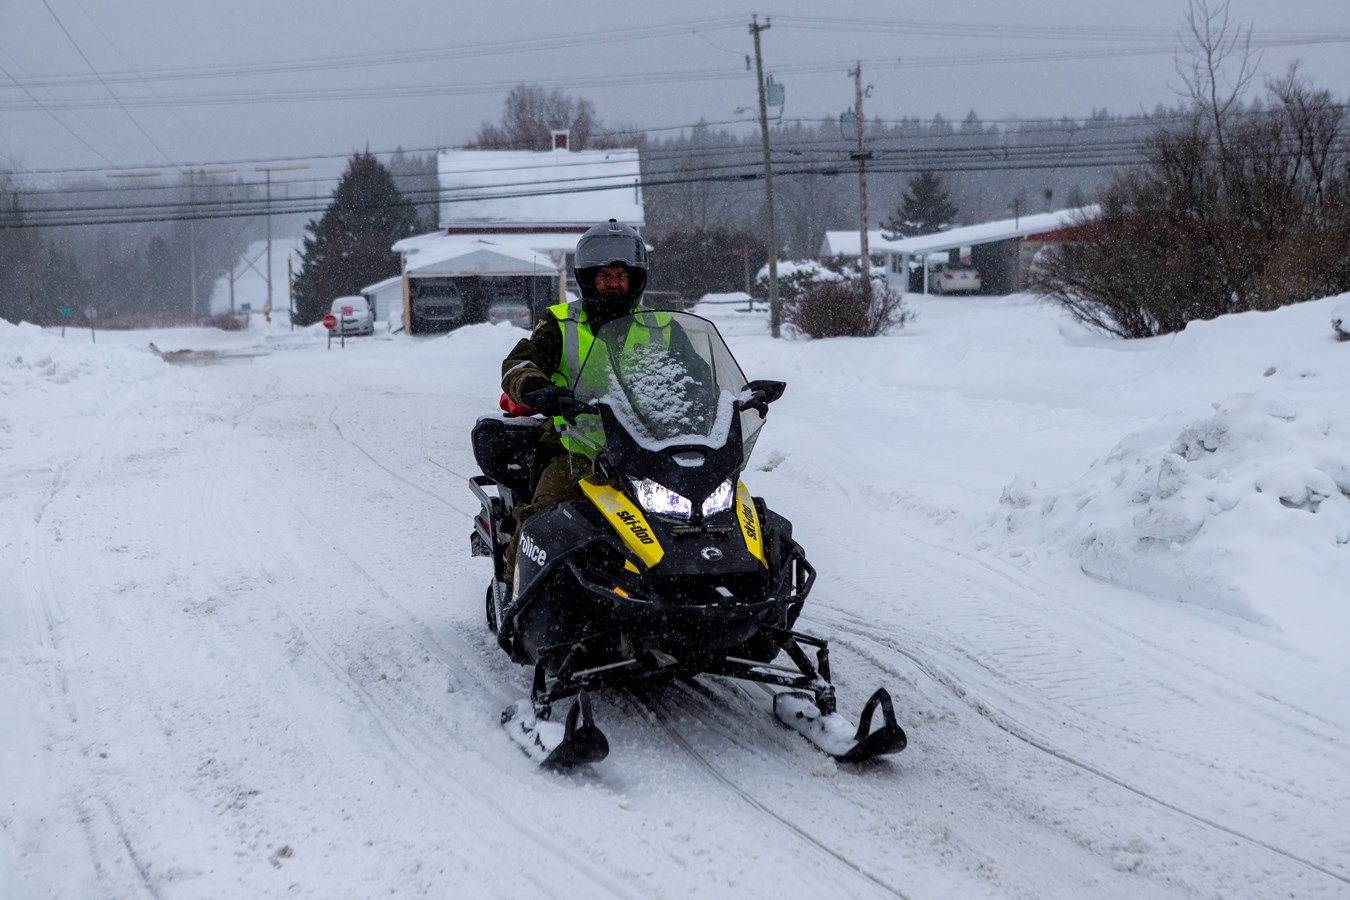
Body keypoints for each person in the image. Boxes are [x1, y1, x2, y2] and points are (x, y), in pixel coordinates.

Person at [498, 218, 651, 581]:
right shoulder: (560, 322)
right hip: (576, 449)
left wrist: (731, 398)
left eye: (621, 275)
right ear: (587, 278)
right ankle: (516, 587)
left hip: (647, 450)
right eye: (604, 275)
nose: (613, 282)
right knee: (544, 516)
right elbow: (519, 363)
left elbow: (696, 374)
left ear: (634, 279)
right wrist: (536, 387)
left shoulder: (659, 326)